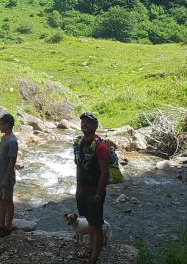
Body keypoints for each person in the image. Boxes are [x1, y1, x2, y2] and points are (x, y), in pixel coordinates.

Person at [74, 112, 109, 263]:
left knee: (96, 226)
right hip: (82, 190)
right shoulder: (79, 143)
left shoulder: (101, 146)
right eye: (83, 122)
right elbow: (79, 167)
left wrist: (99, 194)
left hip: (95, 191)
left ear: (95, 125)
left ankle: (94, 258)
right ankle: (90, 250)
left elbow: (105, 173)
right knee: (90, 223)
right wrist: (77, 188)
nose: (84, 125)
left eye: (88, 122)